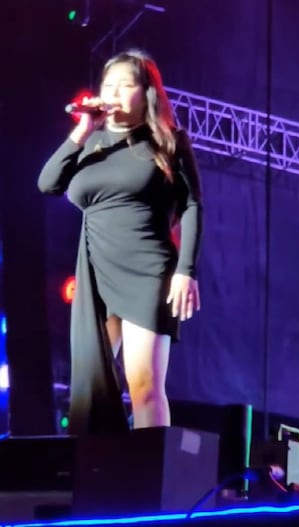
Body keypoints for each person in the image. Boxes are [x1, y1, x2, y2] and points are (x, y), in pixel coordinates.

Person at [38, 49, 203, 434]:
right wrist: (82, 130)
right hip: (96, 270)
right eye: (108, 85)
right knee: (92, 386)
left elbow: (193, 205)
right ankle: (98, 464)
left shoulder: (168, 141)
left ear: (146, 93)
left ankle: (153, 468)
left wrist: (186, 271)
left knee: (143, 384)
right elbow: (48, 183)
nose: (112, 92)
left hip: (148, 269)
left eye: (125, 85)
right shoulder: (92, 141)